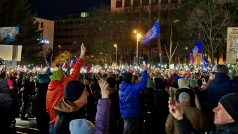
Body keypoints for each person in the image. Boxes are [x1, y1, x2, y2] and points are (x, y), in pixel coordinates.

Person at [46, 44, 86, 134]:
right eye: (63, 76)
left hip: (52, 123)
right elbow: (74, 74)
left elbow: (48, 109)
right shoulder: (60, 87)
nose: (65, 77)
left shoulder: (50, 88)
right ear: (59, 78)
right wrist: (82, 55)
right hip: (60, 123)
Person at [168, 93, 238, 133]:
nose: (214, 109)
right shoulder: (223, 129)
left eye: (220, 107)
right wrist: (180, 117)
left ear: (231, 114)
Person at [119, 64, 147, 134]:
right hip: (132, 114)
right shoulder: (133, 88)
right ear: (130, 79)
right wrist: (144, 71)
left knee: (126, 129)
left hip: (124, 113)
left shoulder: (121, 86)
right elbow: (143, 84)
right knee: (130, 131)